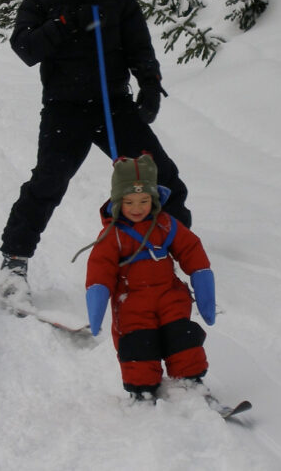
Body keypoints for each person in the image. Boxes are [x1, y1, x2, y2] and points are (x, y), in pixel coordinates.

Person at [0, 0, 192, 301]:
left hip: (113, 105)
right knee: (47, 183)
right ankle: (14, 261)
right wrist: (64, 23)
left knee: (162, 175)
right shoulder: (41, 1)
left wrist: (150, 87)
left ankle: (177, 251)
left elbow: (140, 47)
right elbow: (24, 49)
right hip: (63, 110)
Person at [83, 153, 216, 401]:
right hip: (132, 301)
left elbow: (190, 249)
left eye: (144, 201)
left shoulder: (165, 224)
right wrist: (98, 297)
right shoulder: (113, 235)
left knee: (182, 336)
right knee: (138, 344)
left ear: (153, 199)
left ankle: (190, 382)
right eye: (129, 202)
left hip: (170, 296)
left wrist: (202, 277)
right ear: (117, 201)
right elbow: (100, 267)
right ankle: (142, 390)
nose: (137, 208)